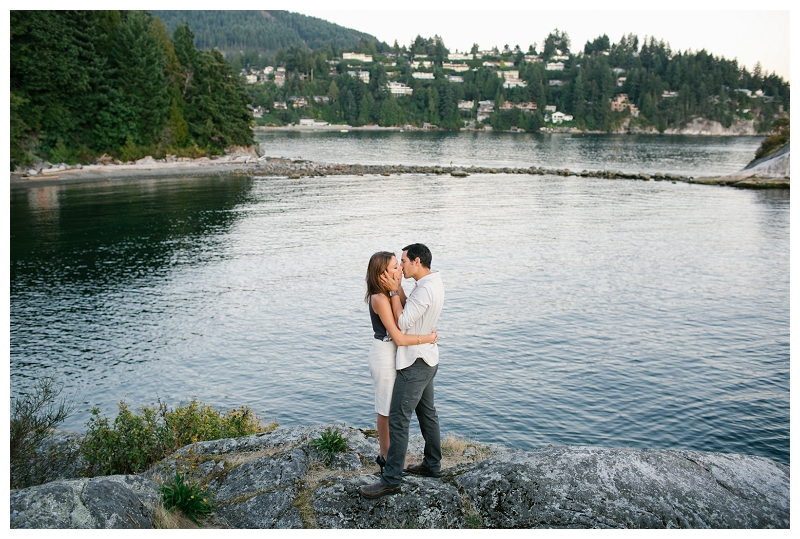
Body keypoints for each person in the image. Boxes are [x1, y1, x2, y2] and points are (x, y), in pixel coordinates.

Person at [361, 243, 445, 499]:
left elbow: (402, 323)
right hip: (423, 358)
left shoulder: (420, 291)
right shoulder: (431, 284)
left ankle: (391, 479)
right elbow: (403, 320)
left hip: (415, 361)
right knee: (426, 414)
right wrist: (396, 288)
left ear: (417, 262)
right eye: (395, 266)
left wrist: (395, 289)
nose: (400, 268)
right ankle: (431, 465)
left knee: (398, 418)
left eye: (403, 263)